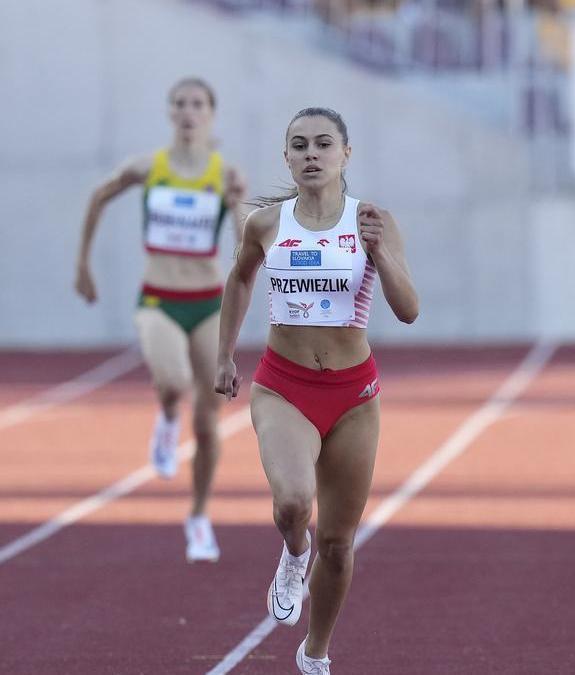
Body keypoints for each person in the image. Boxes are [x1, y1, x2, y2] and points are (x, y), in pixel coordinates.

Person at [214, 107, 418, 674]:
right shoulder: (266, 223)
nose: (310, 154)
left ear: (344, 155)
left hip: (354, 396)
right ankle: (291, 553)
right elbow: (239, 278)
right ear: (286, 157)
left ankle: (316, 652)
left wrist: (380, 255)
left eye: (323, 144)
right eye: (299, 145)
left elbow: (408, 310)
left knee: (339, 543)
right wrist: (225, 354)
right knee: (293, 503)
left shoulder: (372, 221)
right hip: (284, 387)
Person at [74, 77, 249, 563]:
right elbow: (98, 195)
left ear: (211, 113)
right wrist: (83, 264)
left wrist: (237, 205)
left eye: (198, 104)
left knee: (211, 424)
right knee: (172, 382)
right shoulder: (149, 167)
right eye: (180, 104)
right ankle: (168, 418)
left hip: (209, 302)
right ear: (169, 112)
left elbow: (245, 247)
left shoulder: (225, 173)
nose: (189, 112)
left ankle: (198, 517)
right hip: (158, 299)